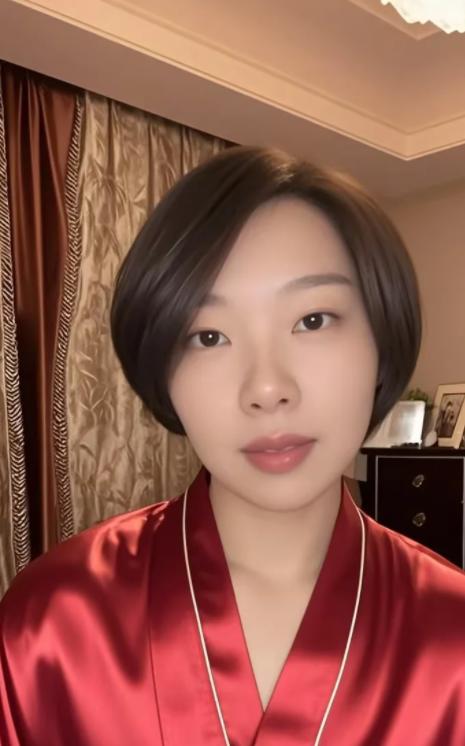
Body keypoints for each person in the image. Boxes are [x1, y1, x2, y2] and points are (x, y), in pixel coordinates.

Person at [1, 146, 464, 746]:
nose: (267, 389)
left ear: (381, 337)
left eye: (313, 320)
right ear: (161, 365)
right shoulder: (54, 621)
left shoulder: (452, 634)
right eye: (208, 335)